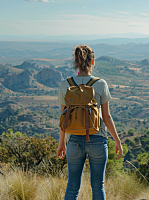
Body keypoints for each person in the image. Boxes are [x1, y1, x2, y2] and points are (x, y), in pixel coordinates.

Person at [57, 45, 123, 200]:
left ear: (76, 62)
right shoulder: (100, 84)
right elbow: (106, 117)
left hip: (73, 141)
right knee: (98, 187)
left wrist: (61, 143)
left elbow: (63, 118)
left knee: (72, 187)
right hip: (98, 140)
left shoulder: (65, 84)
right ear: (93, 61)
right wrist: (117, 140)